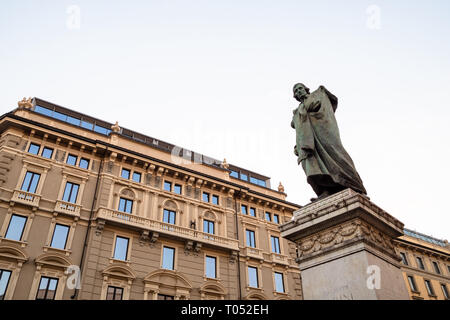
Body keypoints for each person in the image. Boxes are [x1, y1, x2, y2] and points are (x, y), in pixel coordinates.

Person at [291, 83, 367, 202]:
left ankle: (354, 184)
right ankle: (325, 190)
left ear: (306, 89)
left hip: (323, 132)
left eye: (300, 88)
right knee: (311, 164)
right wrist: (298, 143)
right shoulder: (297, 111)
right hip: (308, 141)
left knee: (336, 155)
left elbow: (322, 108)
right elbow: (298, 127)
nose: (299, 91)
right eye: (296, 91)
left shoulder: (318, 94)